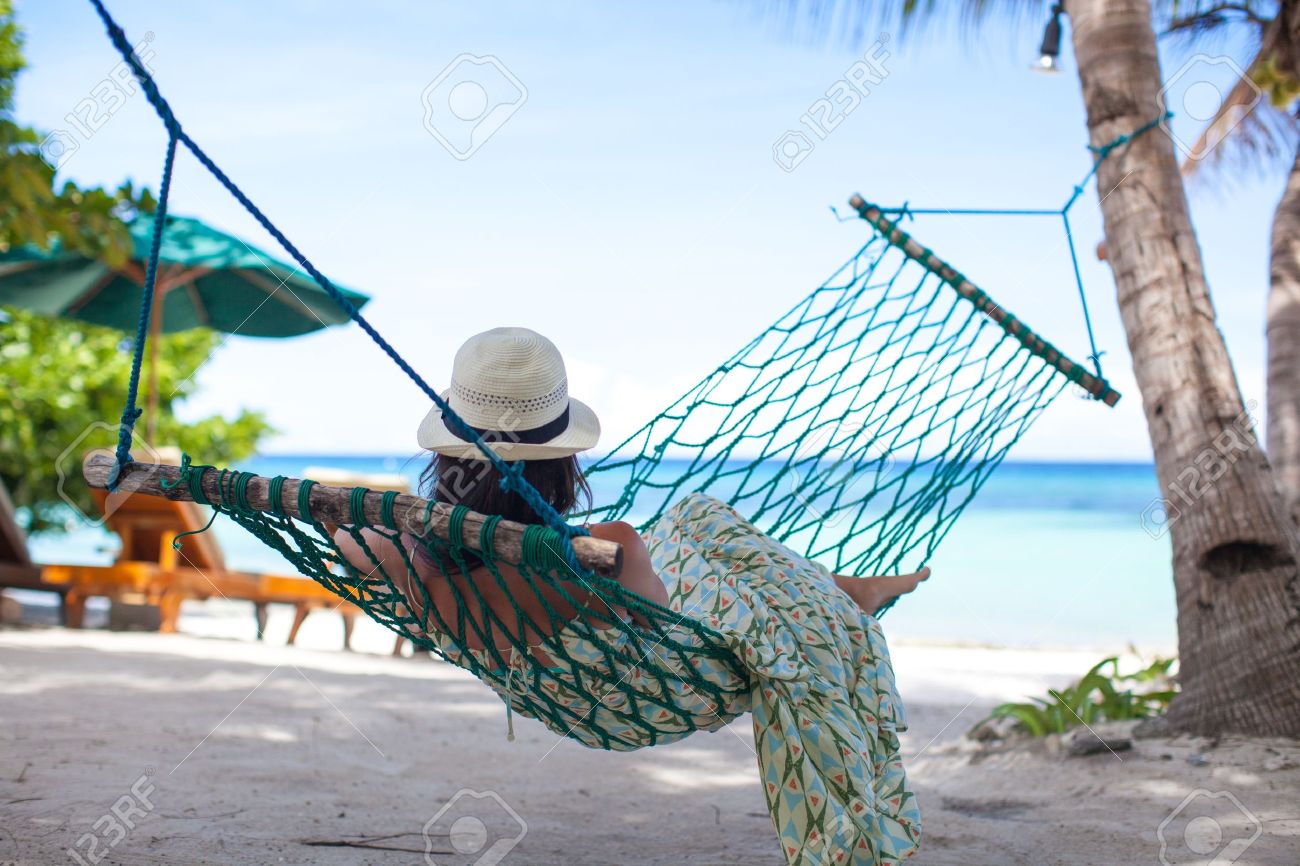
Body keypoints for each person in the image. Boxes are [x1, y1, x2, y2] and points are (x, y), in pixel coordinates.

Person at [336, 326, 926, 864]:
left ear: (444, 457)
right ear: (563, 464)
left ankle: (840, 590)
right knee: (701, 517)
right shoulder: (608, 546)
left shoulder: (415, 565)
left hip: (566, 681)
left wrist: (411, 523)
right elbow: (661, 614)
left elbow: (348, 535)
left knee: (697, 529)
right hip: (655, 674)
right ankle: (843, 595)